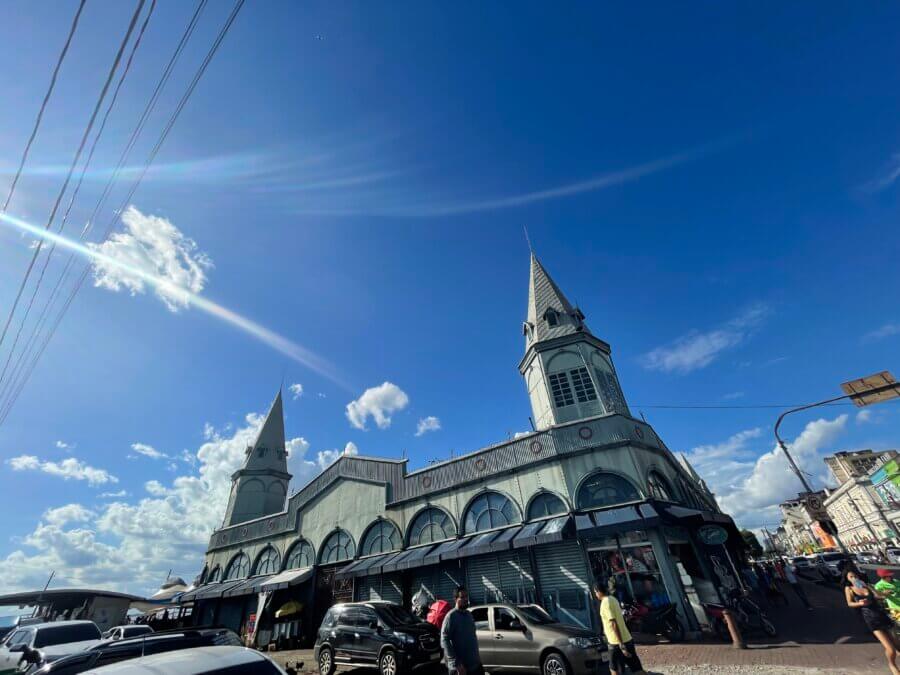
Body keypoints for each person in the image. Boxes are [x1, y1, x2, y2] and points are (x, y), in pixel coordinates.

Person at [844, 569, 900, 675]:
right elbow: (849, 603)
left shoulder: (866, 585)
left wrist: (884, 594)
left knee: (897, 643)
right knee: (890, 648)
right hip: (871, 619)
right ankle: (892, 665)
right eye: (851, 577)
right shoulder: (849, 589)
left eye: (855, 575)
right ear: (847, 579)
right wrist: (860, 604)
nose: (854, 578)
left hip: (882, 615)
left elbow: (878, 596)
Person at [592, 581, 646, 675]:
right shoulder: (613, 599)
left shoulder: (605, 603)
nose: (596, 595)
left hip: (616, 642)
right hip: (627, 639)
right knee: (636, 668)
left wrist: (621, 644)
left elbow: (613, 623)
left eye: (595, 592)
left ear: (599, 591)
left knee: (614, 669)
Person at [441, 586, 483, 675]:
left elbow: (472, 637)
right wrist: (457, 663)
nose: (466, 599)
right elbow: (444, 640)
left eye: (466, 596)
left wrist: (477, 658)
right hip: (460, 668)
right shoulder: (451, 616)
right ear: (455, 599)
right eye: (462, 597)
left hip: (475, 665)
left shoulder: (469, 615)